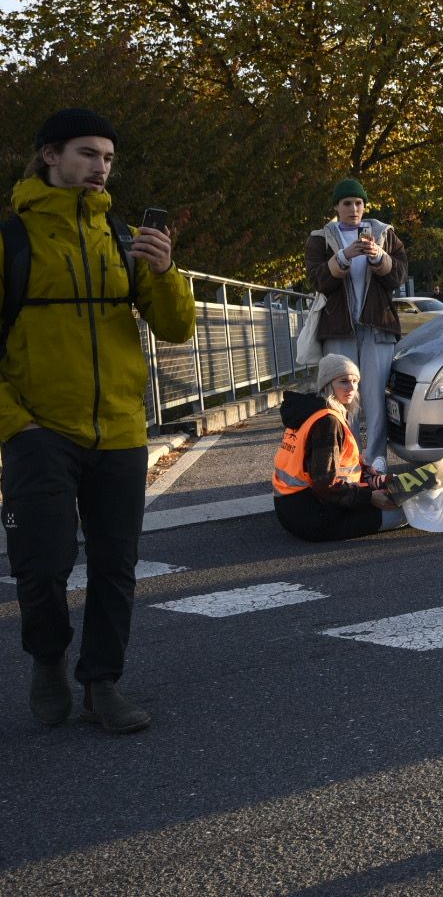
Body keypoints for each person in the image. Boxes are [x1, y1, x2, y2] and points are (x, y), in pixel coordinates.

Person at [4, 108, 196, 733]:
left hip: (118, 429)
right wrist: (15, 425)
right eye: (87, 154)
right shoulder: (12, 241)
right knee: (41, 563)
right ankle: (47, 660)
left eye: (108, 158)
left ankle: (103, 684)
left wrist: (166, 272)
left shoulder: (121, 236)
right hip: (40, 428)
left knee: (116, 566)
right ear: (50, 156)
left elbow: (175, 328)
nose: (100, 168)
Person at [304, 178, 407, 460]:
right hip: (338, 329)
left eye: (358, 203)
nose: (353, 209)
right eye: (347, 203)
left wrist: (379, 258)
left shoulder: (385, 234)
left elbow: (398, 276)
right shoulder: (320, 238)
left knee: (374, 401)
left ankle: (376, 462)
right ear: (336, 207)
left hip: (377, 328)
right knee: (340, 400)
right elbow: (317, 280)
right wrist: (344, 257)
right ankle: (346, 461)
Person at [272, 354, 406, 541]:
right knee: (404, 511)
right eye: (344, 381)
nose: (351, 388)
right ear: (328, 384)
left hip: (292, 509)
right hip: (314, 517)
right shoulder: (327, 422)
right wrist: (370, 497)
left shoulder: (309, 411)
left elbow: (327, 467)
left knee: (396, 488)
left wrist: (366, 471)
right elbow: (325, 483)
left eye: (355, 381)